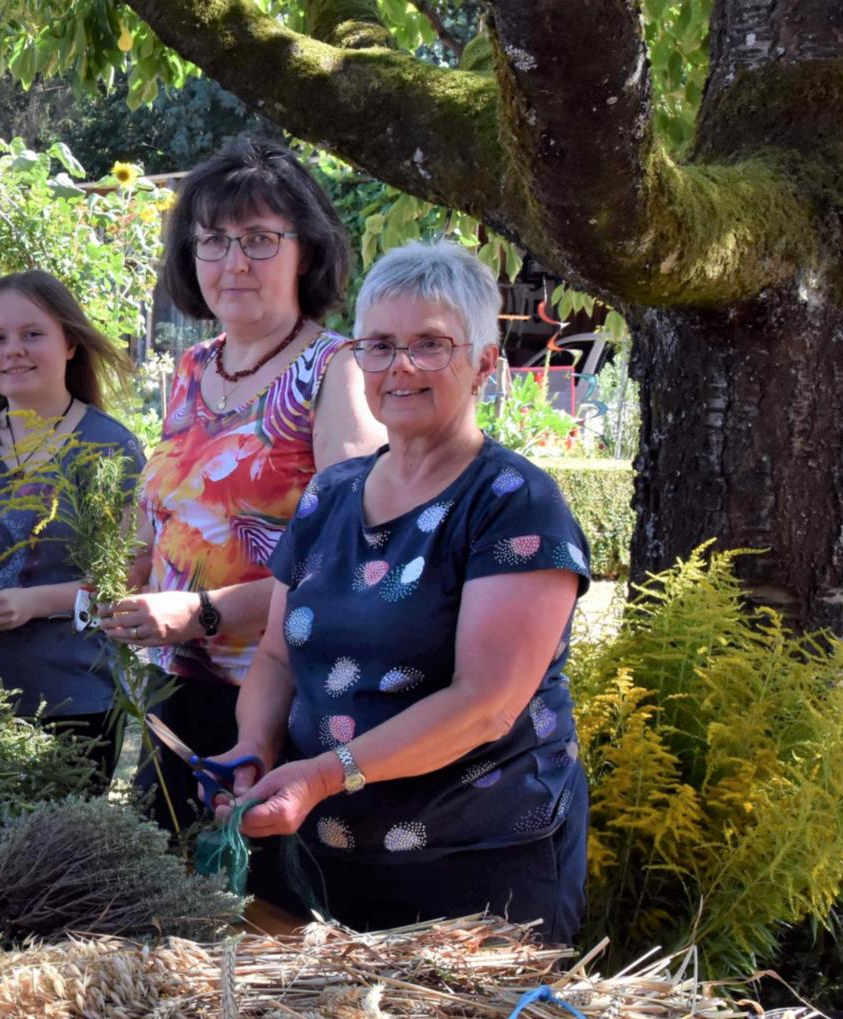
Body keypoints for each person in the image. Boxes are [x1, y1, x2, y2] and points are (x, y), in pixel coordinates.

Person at [211, 240, 593, 944]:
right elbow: (274, 658)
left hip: (474, 877)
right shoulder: (331, 495)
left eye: (431, 344)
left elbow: (484, 706)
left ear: (483, 362)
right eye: (380, 346)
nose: (402, 366)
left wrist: (321, 777)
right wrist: (252, 753)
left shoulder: (514, 505)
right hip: (317, 864)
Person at [99, 138, 385, 836]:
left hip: (284, 698)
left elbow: (351, 553)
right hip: (177, 686)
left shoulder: (336, 369)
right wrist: (123, 580)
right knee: (162, 897)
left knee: (255, 913)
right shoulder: (197, 367)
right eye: (214, 241)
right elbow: (164, 509)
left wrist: (202, 611)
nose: (233, 263)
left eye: (259, 240)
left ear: (306, 251)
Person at [0, 271, 146, 782]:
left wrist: (33, 603)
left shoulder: (109, 448)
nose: (13, 350)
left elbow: (125, 579)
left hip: (75, 699)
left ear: (69, 343)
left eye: (32, 334)